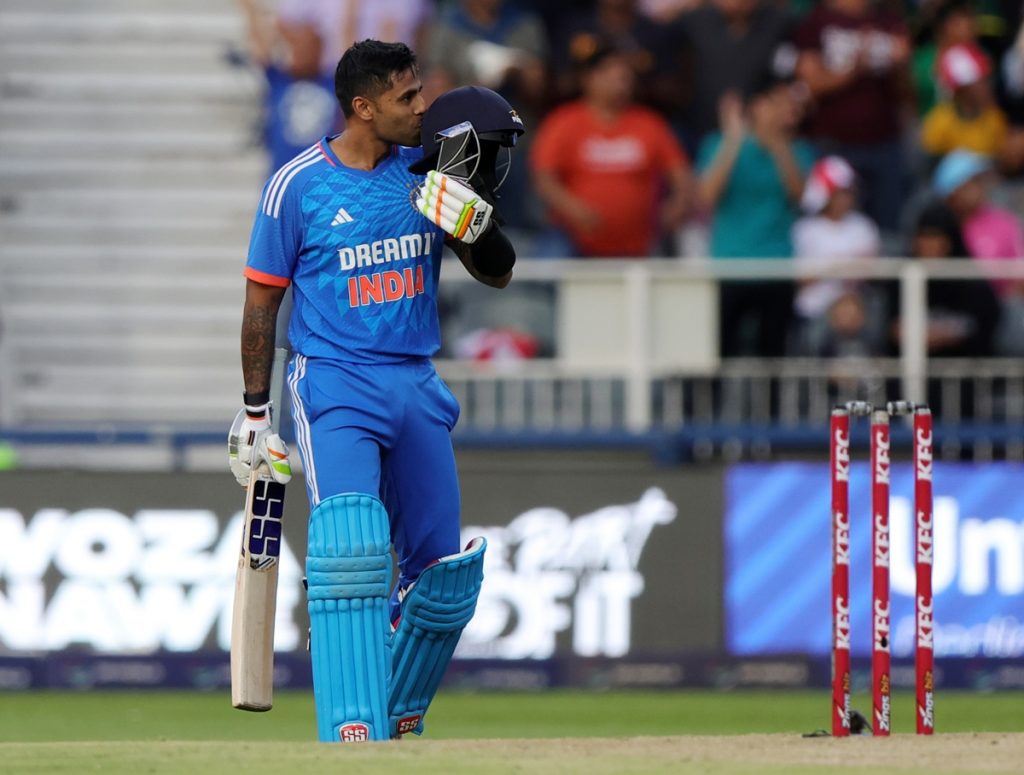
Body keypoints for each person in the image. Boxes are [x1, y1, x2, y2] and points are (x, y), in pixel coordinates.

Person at [228, 40, 524, 742]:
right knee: (350, 547)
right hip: (334, 383)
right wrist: (253, 411)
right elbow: (260, 304)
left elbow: (498, 273)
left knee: (442, 577)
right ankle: (350, 724)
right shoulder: (296, 184)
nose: (422, 110)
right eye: (406, 99)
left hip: (415, 381)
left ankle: (397, 710)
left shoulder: (424, 176)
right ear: (363, 107)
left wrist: (475, 222)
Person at [530, 42, 691, 257]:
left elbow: (681, 173)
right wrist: (574, 209)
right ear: (589, 79)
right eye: (613, 75)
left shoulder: (649, 124)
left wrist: (678, 203)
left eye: (625, 77)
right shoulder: (564, 122)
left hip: (640, 243)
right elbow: (544, 178)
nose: (621, 83)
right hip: (573, 240)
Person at [696, 77, 815, 356]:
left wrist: (779, 146)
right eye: (775, 102)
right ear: (756, 106)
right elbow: (707, 196)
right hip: (728, 264)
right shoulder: (718, 143)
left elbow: (802, 198)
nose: (784, 110)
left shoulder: (799, 150)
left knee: (771, 355)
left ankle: (769, 403)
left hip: (777, 265)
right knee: (717, 352)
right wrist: (733, 140)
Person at [793, 0, 912, 233]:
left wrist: (900, 66)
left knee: (888, 227)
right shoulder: (818, 21)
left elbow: (906, 93)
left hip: (884, 143)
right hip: (833, 145)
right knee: (830, 227)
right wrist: (854, 69)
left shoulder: (889, 21)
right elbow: (810, 82)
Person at [790, 155, 883, 355]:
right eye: (838, 193)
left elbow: (870, 270)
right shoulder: (804, 230)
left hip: (857, 311)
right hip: (815, 311)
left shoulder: (864, 227)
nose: (845, 199)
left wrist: (827, 270)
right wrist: (842, 267)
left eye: (848, 193)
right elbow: (800, 278)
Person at [922, 42, 1009, 160]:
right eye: (981, 82)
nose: (988, 87)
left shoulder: (995, 118)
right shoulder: (939, 123)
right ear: (962, 91)